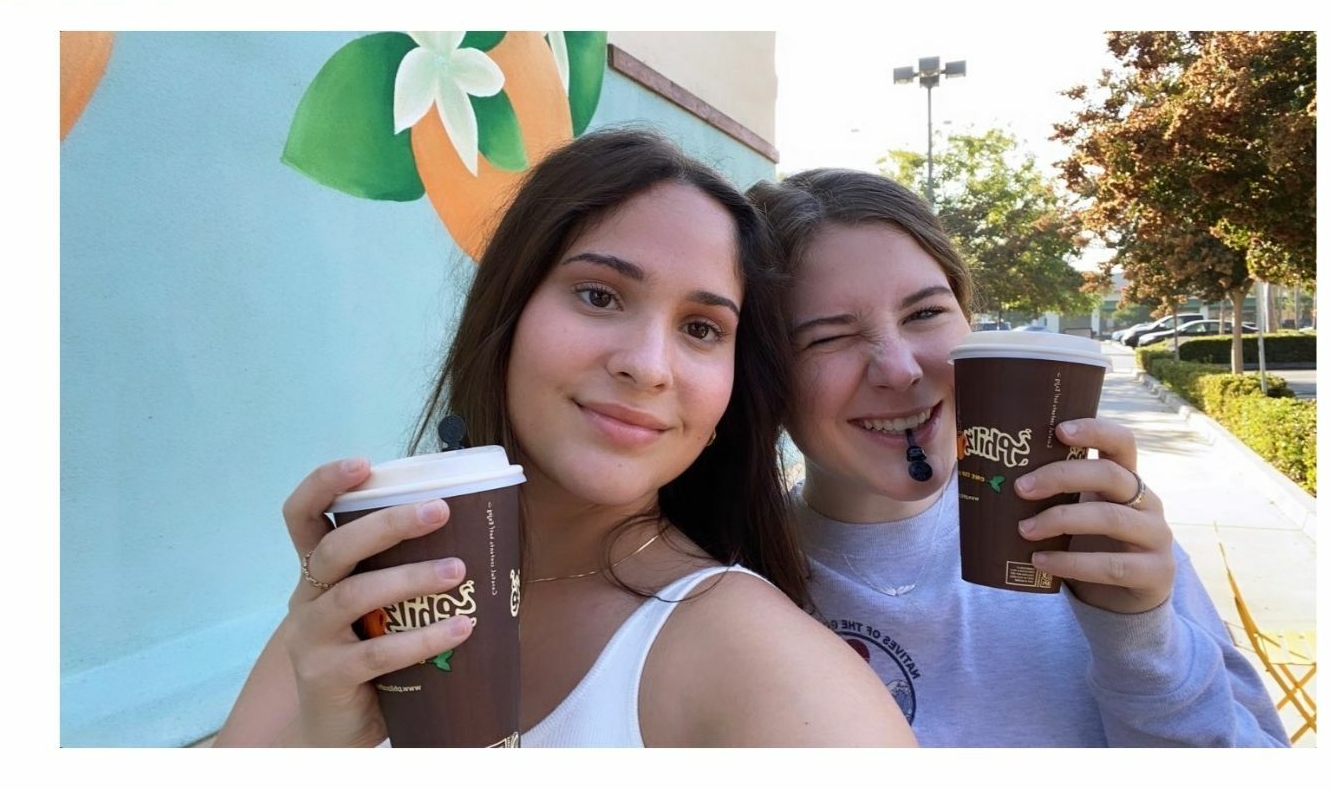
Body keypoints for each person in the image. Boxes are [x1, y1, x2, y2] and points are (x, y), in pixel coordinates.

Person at [214, 129, 917, 748]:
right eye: (599, 295)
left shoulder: (770, 674)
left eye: (702, 329)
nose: (646, 365)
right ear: (509, 310)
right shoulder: (385, 575)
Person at [747, 169, 1288, 746]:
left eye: (925, 314)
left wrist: (1141, 638)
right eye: (827, 337)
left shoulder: (1089, 532)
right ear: (762, 373)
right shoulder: (724, 579)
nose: (901, 368)